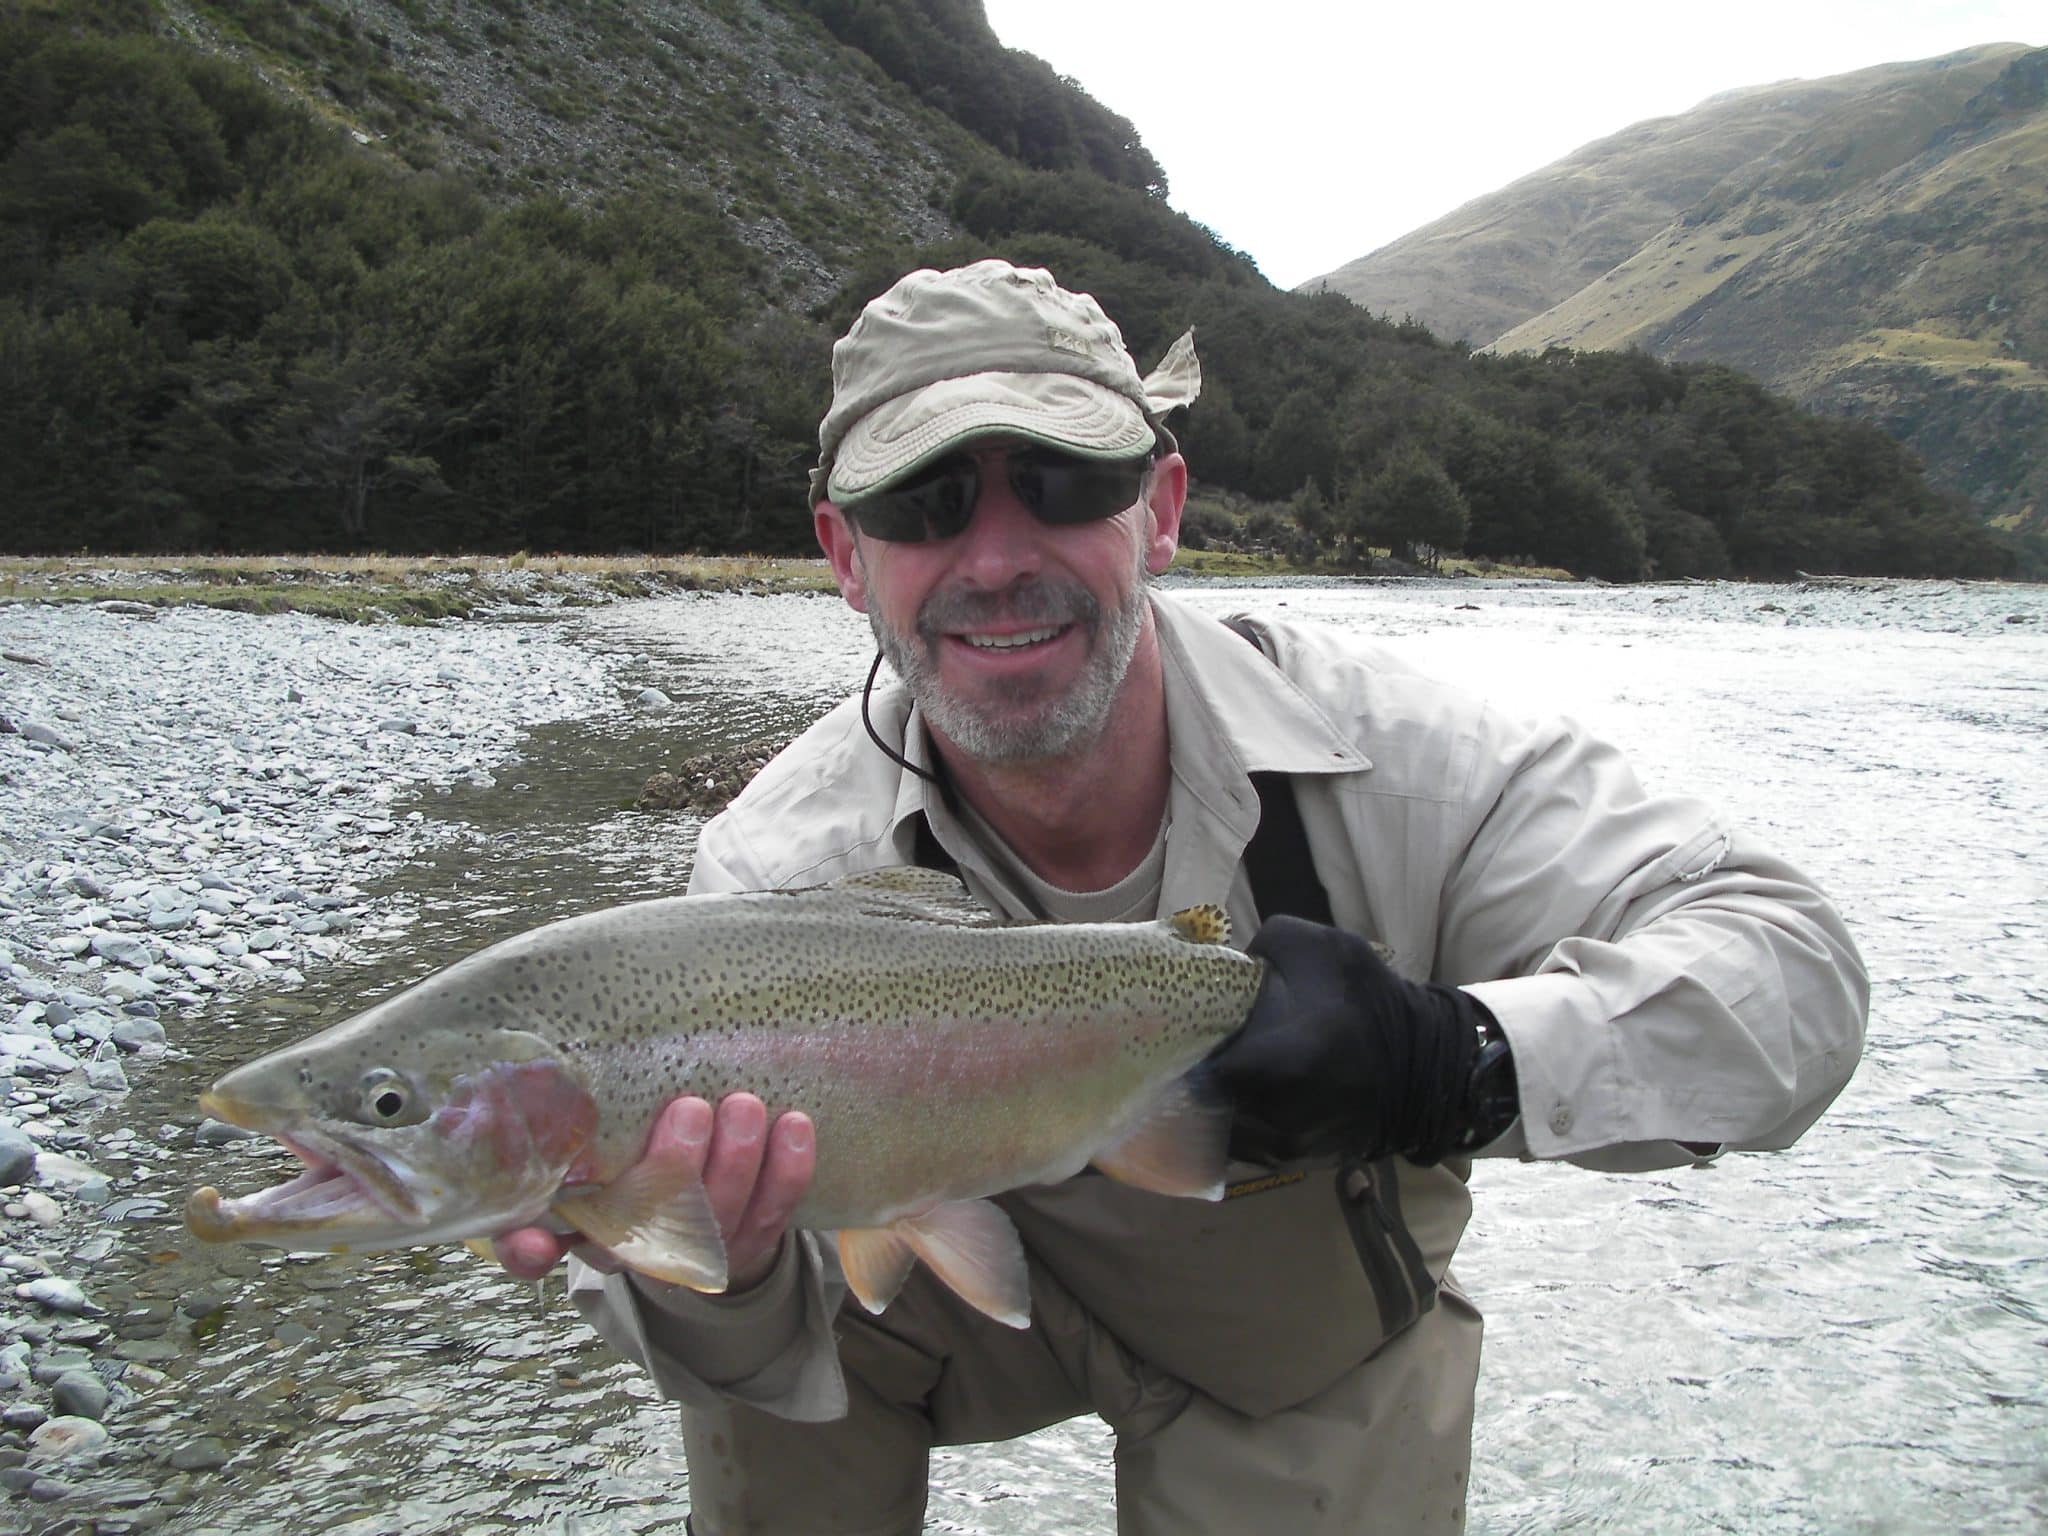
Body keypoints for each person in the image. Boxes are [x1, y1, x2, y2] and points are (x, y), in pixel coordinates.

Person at [496, 259, 1868, 1533]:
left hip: (1295, 1330)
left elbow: (1792, 975)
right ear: (845, 556)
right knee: (749, 1368)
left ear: (1159, 508)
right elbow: (724, 1337)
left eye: (1060, 481)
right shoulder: (771, 866)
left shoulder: (1399, 757)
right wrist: (714, 1269)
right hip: (914, 1310)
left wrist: (1459, 1062)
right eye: (922, 504)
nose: (992, 557)